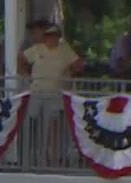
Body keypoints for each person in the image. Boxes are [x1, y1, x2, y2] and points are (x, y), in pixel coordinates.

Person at [20, 23, 83, 166]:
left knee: (53, 126)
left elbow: (79, 63)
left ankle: (52, 158)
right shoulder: (37, 49)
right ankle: (29, 157)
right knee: (31, 123)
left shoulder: (64, 50)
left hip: (55, 94)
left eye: (54, 35)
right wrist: (25, 74)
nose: (52, 38)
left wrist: (70, 72)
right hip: (37, 92)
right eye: (49, 35)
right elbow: (21, 59)